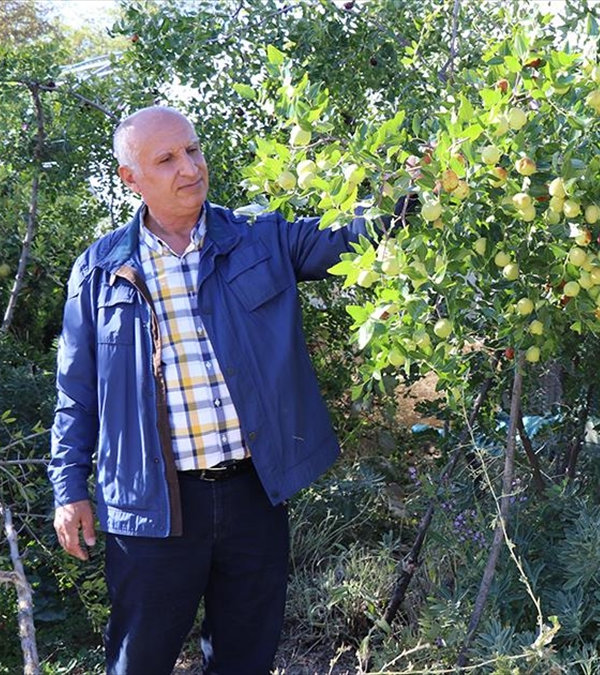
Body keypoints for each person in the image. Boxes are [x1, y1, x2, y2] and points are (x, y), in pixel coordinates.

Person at [49, 105, 399, 674]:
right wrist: (68, 488)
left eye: (192, 150)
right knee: (138, 661)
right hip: (150, 504)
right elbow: (76, 392)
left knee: (245, 659)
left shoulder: (260, 238)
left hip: (252, 495)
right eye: (166, 159)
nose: (189, 167)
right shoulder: (99, 271)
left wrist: (413, 190)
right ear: (130, 178)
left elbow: (350, 238)